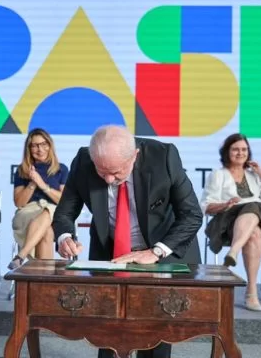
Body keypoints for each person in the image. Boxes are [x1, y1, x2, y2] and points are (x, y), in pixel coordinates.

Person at [53, 125, 202, 358]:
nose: (109, 179)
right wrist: (64, 237)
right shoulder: (83, 161)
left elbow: (192, 215)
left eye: (116, 172)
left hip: (159, 250)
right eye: (102, 172)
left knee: (154, 331)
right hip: (111, 253)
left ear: (135, 156)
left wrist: (155, 252)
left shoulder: (163, 157)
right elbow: (64, 213)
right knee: (108, 327)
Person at [200, 133, 261, 312]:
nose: (240, 153)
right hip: (227, 223)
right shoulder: (218, 174)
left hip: (253, 224)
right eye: (235, 149)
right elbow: (205, 206)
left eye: (244, 149)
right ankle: (251, 292)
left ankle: (234, 255)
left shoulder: (254, 175)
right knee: (253, 208)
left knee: (255, 230)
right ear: (227, 152)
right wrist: (225, 204)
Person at [8, 128, 68, 269]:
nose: (40, 149)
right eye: (35, 145)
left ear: (50, 145)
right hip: (28, 212)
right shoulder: (23, 170)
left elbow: (64, 201)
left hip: (53, 212)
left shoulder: (61, 169)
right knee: (46, 230)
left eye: (43, 144)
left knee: (48, 213)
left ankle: (21, 255)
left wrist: (43, 185)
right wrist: (33, 183)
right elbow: (19, 203)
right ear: (29, 148)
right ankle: (45, 284)